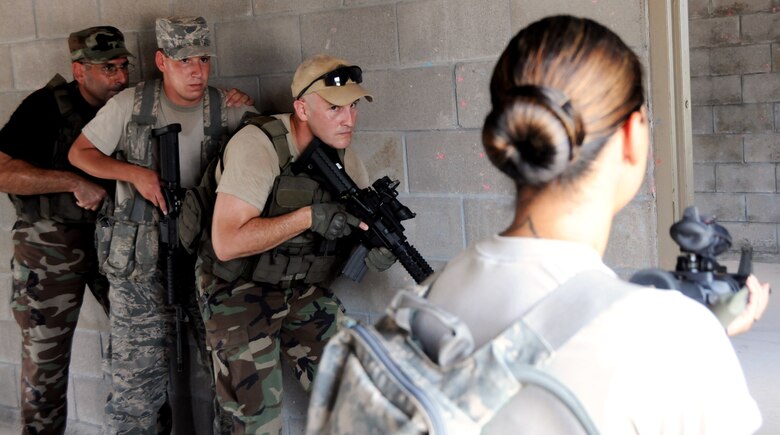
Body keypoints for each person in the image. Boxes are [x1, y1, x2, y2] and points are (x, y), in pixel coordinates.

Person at [419, 15, 770, 434]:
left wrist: (695, 336)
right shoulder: (676, 340)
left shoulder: (438, 289)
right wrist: (701, 343)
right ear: (632, 135)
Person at [67, 16, 255, 434]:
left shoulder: (227, 106)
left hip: (208, 260)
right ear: (162, 61)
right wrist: (133, 174)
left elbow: (268, 150)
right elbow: (80, 155)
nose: (196, 70)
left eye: (203, 59)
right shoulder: (130, 104)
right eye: (184, 59)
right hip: (140, 268)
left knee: (234, 381)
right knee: (135, 389)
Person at [194, 54, 395, 434]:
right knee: (257, 424)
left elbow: (353, 236)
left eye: (353, 106)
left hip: (300, 288)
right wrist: (308, 216)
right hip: (239, 290)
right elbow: (226, 242)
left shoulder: (348, 161)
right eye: (334, 107)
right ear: (302, 108)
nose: (348, 119)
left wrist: (372, 252)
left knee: (359, 401)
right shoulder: (259, 146)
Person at [0, 26, 132, 435]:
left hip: (115, 241)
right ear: (79, 70)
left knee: (142, 346)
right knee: (45, 363)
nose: (120, 76)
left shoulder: (130, 103)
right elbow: (4, 173)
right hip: (50, 247)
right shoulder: (44, 107)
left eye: (124, 65)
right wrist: (73, 182)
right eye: (107, 67)